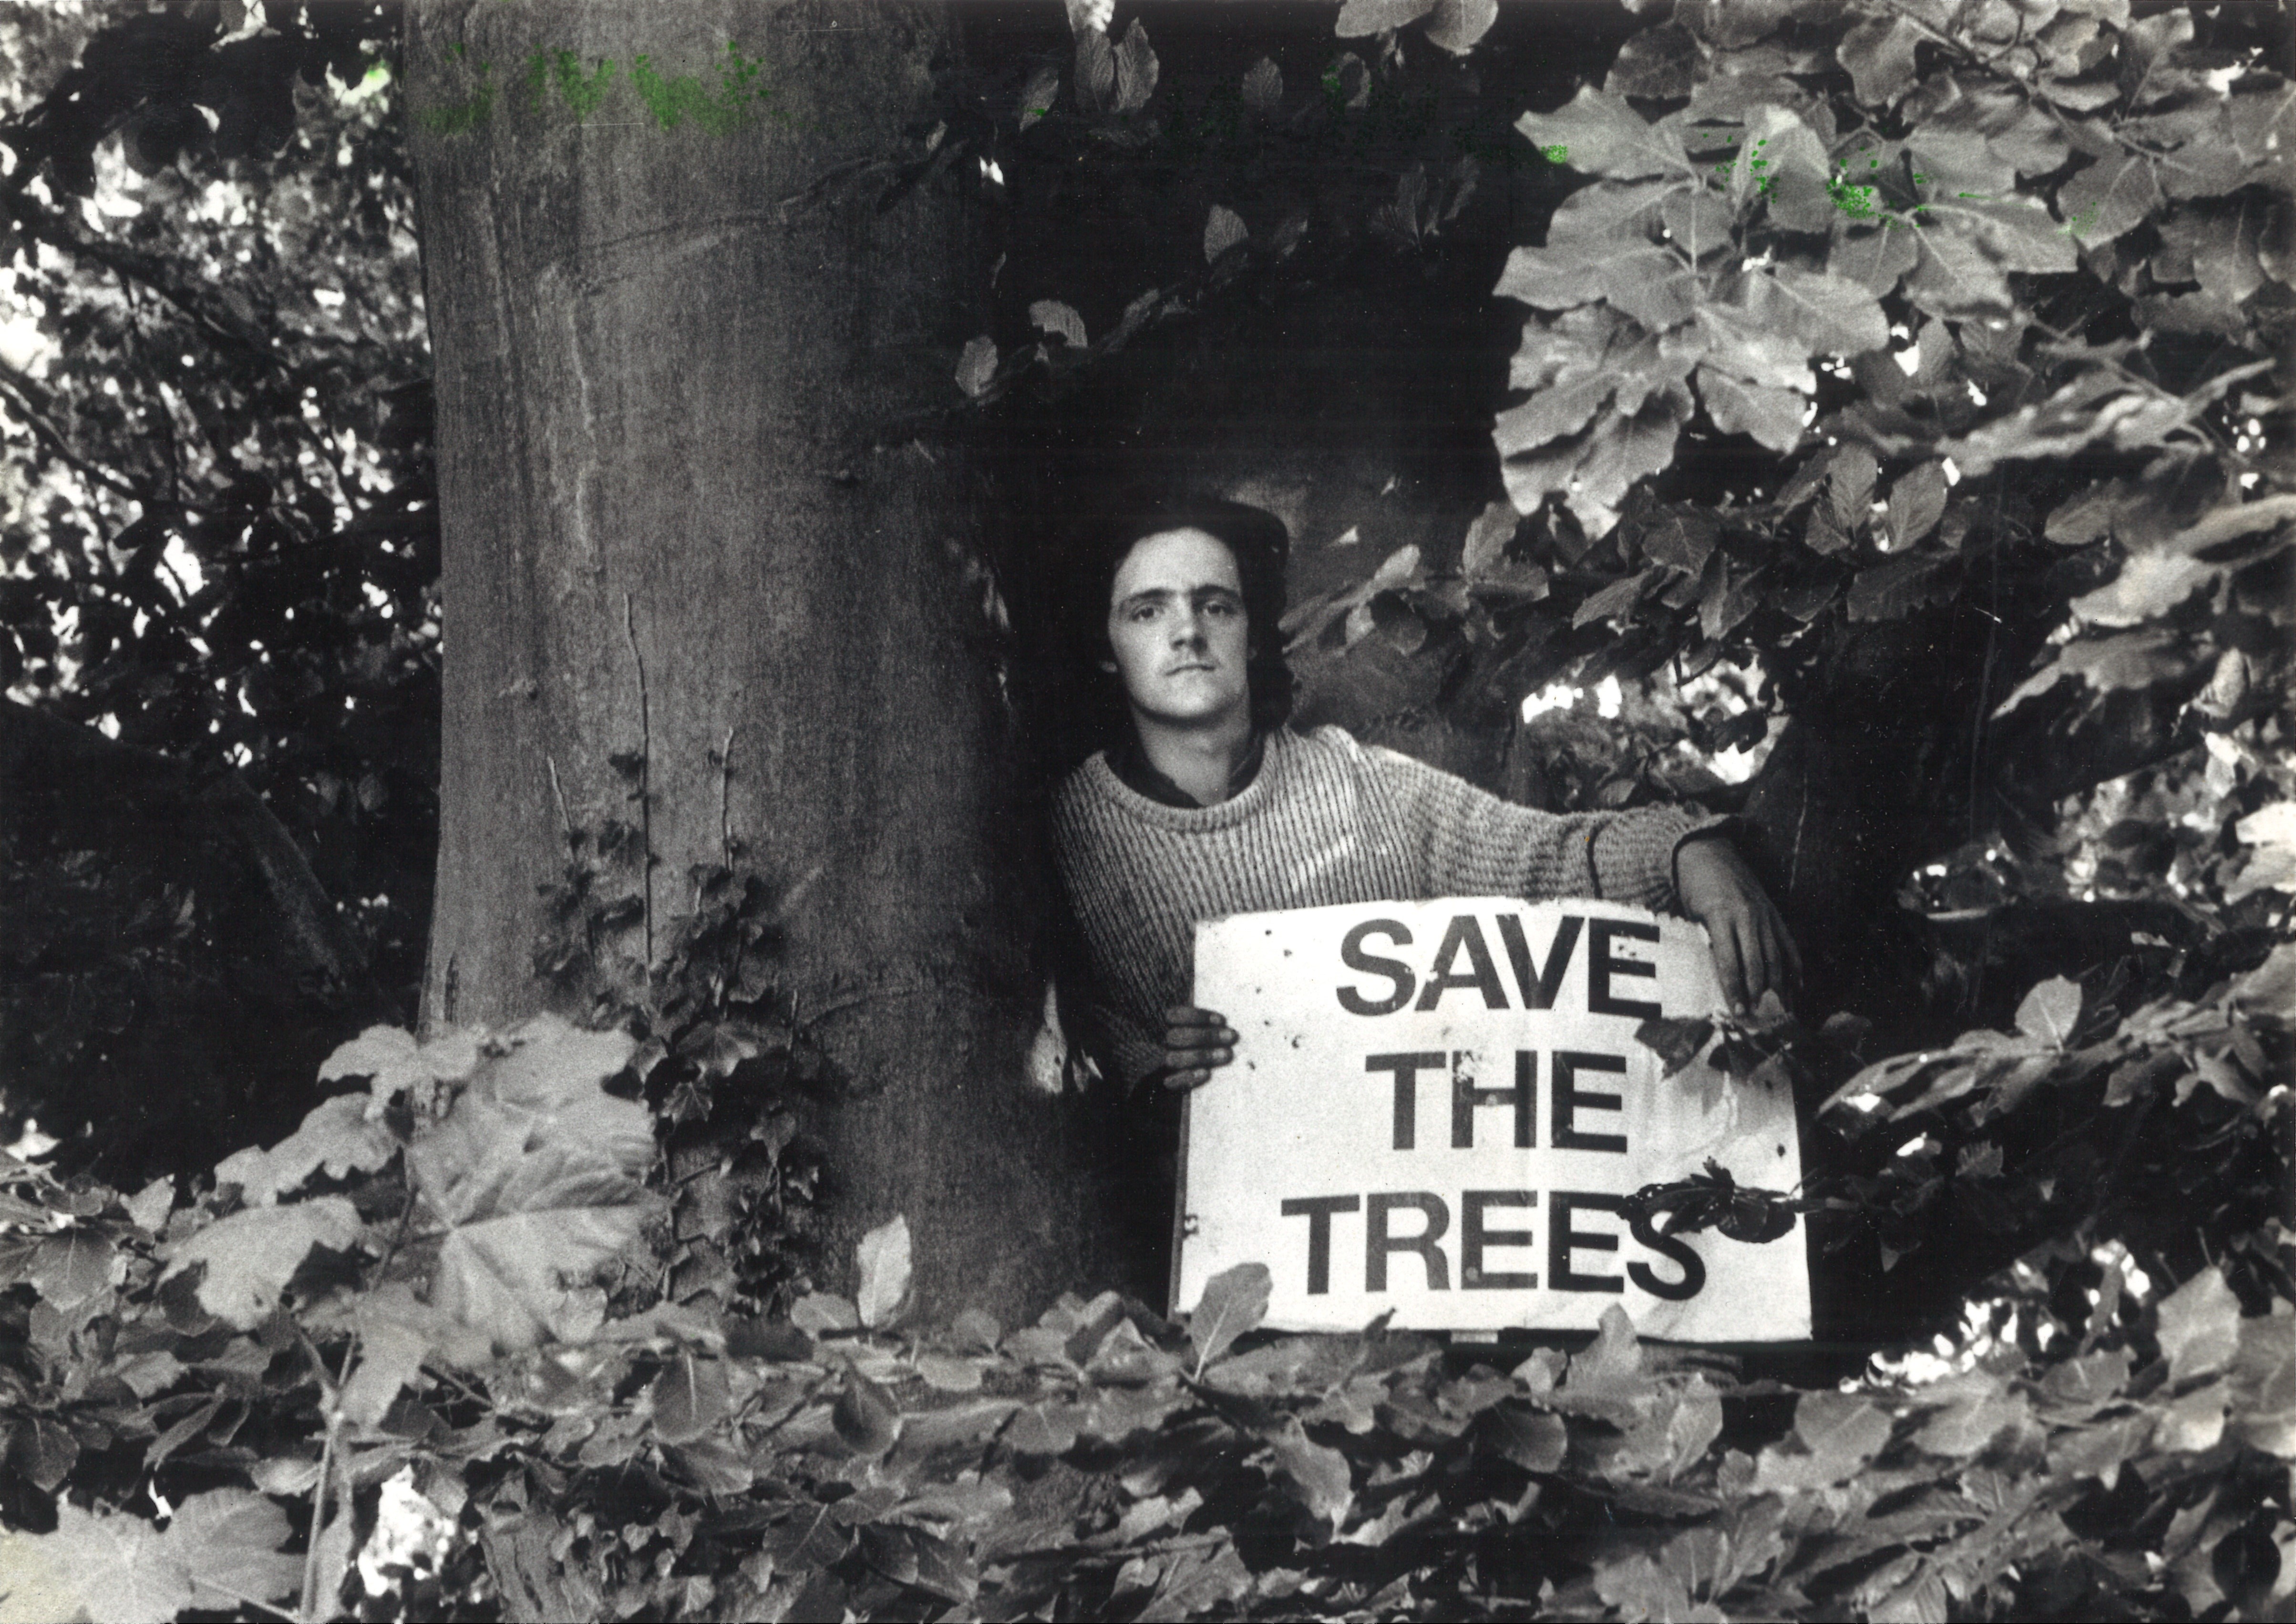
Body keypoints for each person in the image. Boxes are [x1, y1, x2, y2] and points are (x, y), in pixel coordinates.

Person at [1048, 494, 1800, 1101]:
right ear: (1107, 647)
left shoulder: (1363, 787)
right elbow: (1073, 1029)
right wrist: (1148, 1071)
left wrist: (1688, 850)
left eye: (1216, 605)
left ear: (1250, 633)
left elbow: (1551, 860)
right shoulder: (1066, 833)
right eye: (1147, 610)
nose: (1186, 632)